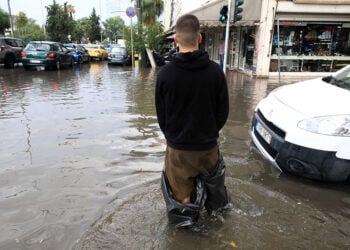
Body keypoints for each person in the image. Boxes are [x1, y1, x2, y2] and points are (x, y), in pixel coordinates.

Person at [155, 14, 230, 233]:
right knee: (215, 191)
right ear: (200, 38)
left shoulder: (165, 75)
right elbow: (223, 112)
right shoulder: (215, 72)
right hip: (208, 147)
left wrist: (174, 137)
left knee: (182, 197)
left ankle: (190, 233)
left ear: (176, 40)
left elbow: (162, 116)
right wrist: (209, 132)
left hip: (179, 150)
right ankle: (218, 225)